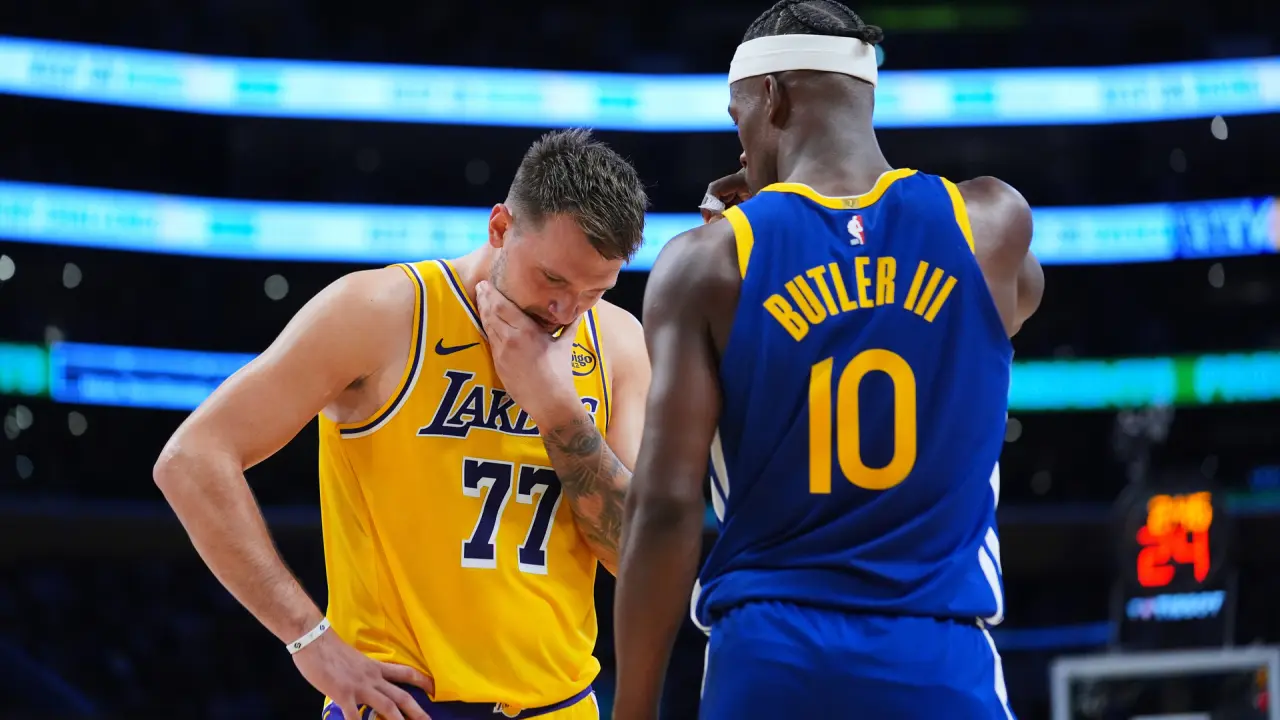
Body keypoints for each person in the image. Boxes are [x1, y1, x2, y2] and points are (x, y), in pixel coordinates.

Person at [612, 1, 1045, 718]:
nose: (741, 148)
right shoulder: (991, 224)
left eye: (738, 119)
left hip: (771, 659)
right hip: (938, 660)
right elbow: (1011, 305)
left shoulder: (709, 262)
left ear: (772, 96)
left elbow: (663, 509)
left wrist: (632, 710)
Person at [154, 128, 652, 720]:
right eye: (553, 280)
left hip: (560, 704)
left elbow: (637, 560)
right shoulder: (382, 311)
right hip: (402, 701)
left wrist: (557, 410)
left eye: (595, 290)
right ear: (500, 227)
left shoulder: (618, 342)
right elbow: (191, 459)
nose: (565, 311)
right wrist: (309, 640)